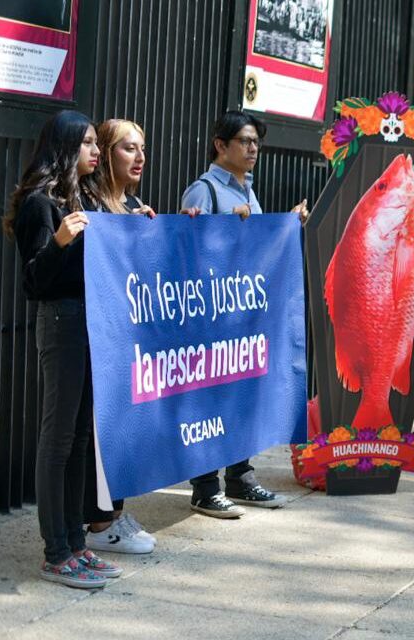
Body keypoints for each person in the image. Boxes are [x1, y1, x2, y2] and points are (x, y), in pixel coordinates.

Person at [3, 111, 122, 588]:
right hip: (61, 322)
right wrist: (59, 241)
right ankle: (55, 552)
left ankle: (76, 543)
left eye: (97, 143)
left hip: (90, 322)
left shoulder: (84, 197)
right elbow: (33, 281)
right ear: (66, 147)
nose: (96, 152)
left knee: (77, 440)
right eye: (89, 143)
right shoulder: (39, 204)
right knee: (56, 441)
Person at [179, 110, 307, 517]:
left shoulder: (248, 191)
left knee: (239, 397)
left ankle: (239, 477)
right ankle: (204, 487)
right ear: (221, 145)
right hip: (211, 317)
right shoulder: (204, 192)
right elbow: (190, 253)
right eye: (245, 141)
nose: (253, 149)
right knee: (208, 401)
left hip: (243, 316)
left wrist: (286, 225)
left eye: (256, 142)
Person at [81, 119, 157, 554]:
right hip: (99, 340)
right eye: (129, 148)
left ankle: (114, 512)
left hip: (129, 341)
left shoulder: (134, 204)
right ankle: (99, 522)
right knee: (98, 430)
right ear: (106, 154)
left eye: (142, 149)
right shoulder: (89, 203)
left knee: (124, 426)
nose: (140, 157)